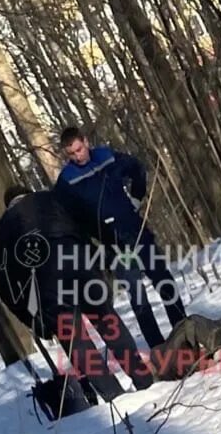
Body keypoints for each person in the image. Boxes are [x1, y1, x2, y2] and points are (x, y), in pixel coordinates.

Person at [0, 185, 153, 401]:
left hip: (48, 285)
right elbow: (88, 224)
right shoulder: (52, 199)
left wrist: (33, 320)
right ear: (29, 193)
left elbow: (5, 284)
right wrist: (104, 261)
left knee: (77, 341)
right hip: (80, 266)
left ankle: (115, 396)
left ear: (8, 205)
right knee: (107, 321)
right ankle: (143, 379)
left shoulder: (3, 230)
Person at [54, 126, 186, 348]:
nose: (78, 156)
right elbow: (67, 219)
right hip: (113, 245)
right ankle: (157, 346)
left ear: (86, 141)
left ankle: (183, 329)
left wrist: (136, 198)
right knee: (137, 293)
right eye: (72, 154)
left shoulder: (107, 157)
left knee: (163, 279)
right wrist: (92, 243)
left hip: (136, 231)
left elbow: (136, 168)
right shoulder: (67, 181)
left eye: (79, 149)